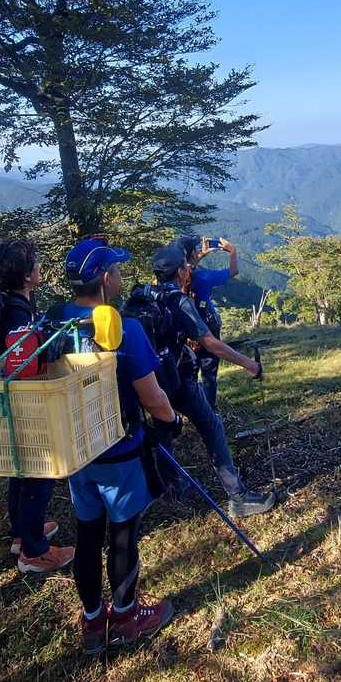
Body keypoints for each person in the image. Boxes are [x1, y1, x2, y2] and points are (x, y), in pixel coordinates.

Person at [61, 238, 180, 653]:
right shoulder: (125, 329)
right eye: (116, 271)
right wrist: (172, 421)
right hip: (120, 451)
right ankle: (127, 617)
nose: (121, 276)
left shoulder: (55, 324)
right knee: (124, 534)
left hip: (77, 451)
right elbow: (153, 396)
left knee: (88, 535)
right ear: (104, 279)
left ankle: (93, 622)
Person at [149, 242, 275, 518]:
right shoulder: (179, 301)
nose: (188, 268)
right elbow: (210, 342)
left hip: (154, 382)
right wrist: (249, 364)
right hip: (180, 380)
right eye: (186, 266)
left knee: (163, 432)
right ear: (181, 272)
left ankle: (171, 486)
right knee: (213, 428)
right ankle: (239, 497)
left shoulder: (147, 294)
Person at [0, 239, 73, 574]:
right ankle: (35, 552)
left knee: (20, 468)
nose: (39, 266)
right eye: (35, 262)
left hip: (3, 398)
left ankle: (22, 534)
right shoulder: (18, 312)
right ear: (25, 276)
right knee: (39, 470)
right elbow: (24, 364)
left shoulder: (6, 304)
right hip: (22, 400)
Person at [178, 235, 239, 410]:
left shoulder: (172, 279)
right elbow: (233, 271)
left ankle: (191, 409)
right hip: (207, 326)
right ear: (192, 254)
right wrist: (232, 251)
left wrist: (199, 257)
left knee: (188, 371)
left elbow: (187, 273)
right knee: (209, 372)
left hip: (184, 329)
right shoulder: (204, 277)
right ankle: (209, 409)